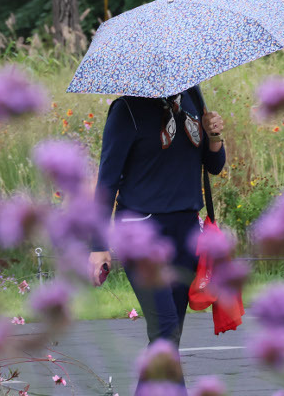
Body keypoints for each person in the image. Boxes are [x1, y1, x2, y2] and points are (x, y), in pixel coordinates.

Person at [88, 85, 226, 383]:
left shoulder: (193, 95)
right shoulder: (126, 110)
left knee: (170, 334)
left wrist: (214, 135)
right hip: (140, 233)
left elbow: (214, 165)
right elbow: (107, 181)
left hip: (185, 231)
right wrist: (98, 245)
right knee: (164, 329)